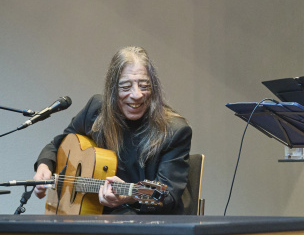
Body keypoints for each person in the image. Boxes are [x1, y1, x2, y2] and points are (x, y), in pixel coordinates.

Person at [32, 46, 192, 214]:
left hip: (145, 220)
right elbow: (59, 144)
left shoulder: (175, 130)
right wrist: (44, 165)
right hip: (96, 215)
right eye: (125, 87)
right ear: (112, 90)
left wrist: (131, 196)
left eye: (144, 86)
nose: (136, 95)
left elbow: (168, 194)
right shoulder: (96, 111)